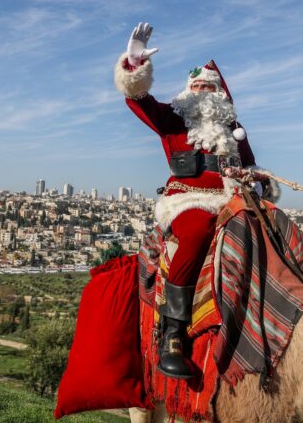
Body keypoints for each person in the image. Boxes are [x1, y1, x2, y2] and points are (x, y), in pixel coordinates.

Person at [113, 23, 278, 379]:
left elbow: (250, 166)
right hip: (188, 200)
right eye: (197, 86)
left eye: (208, 86)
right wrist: (134, 63)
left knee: (274, 231)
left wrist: (258, 180)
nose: (202, 91)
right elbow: (137, 100)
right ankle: (172, 334)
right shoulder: (172, 119)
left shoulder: (233, 129)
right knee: (196, 230)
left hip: (232, 197)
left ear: (219, 94)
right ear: (188, 91)